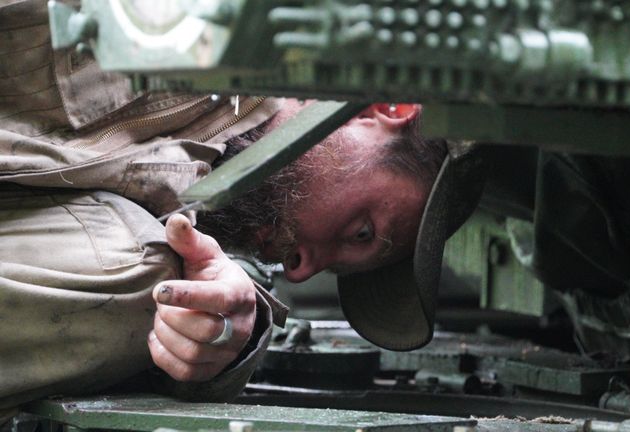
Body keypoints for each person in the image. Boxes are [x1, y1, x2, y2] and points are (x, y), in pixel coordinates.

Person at [0, 0, 457, 420]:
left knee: (154, 288)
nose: (298, 271)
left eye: (334, 270)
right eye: (360, 231)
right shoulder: (205, 24)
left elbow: (220, 294)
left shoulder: (182, 227)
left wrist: (228, 337)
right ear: (382, 108)